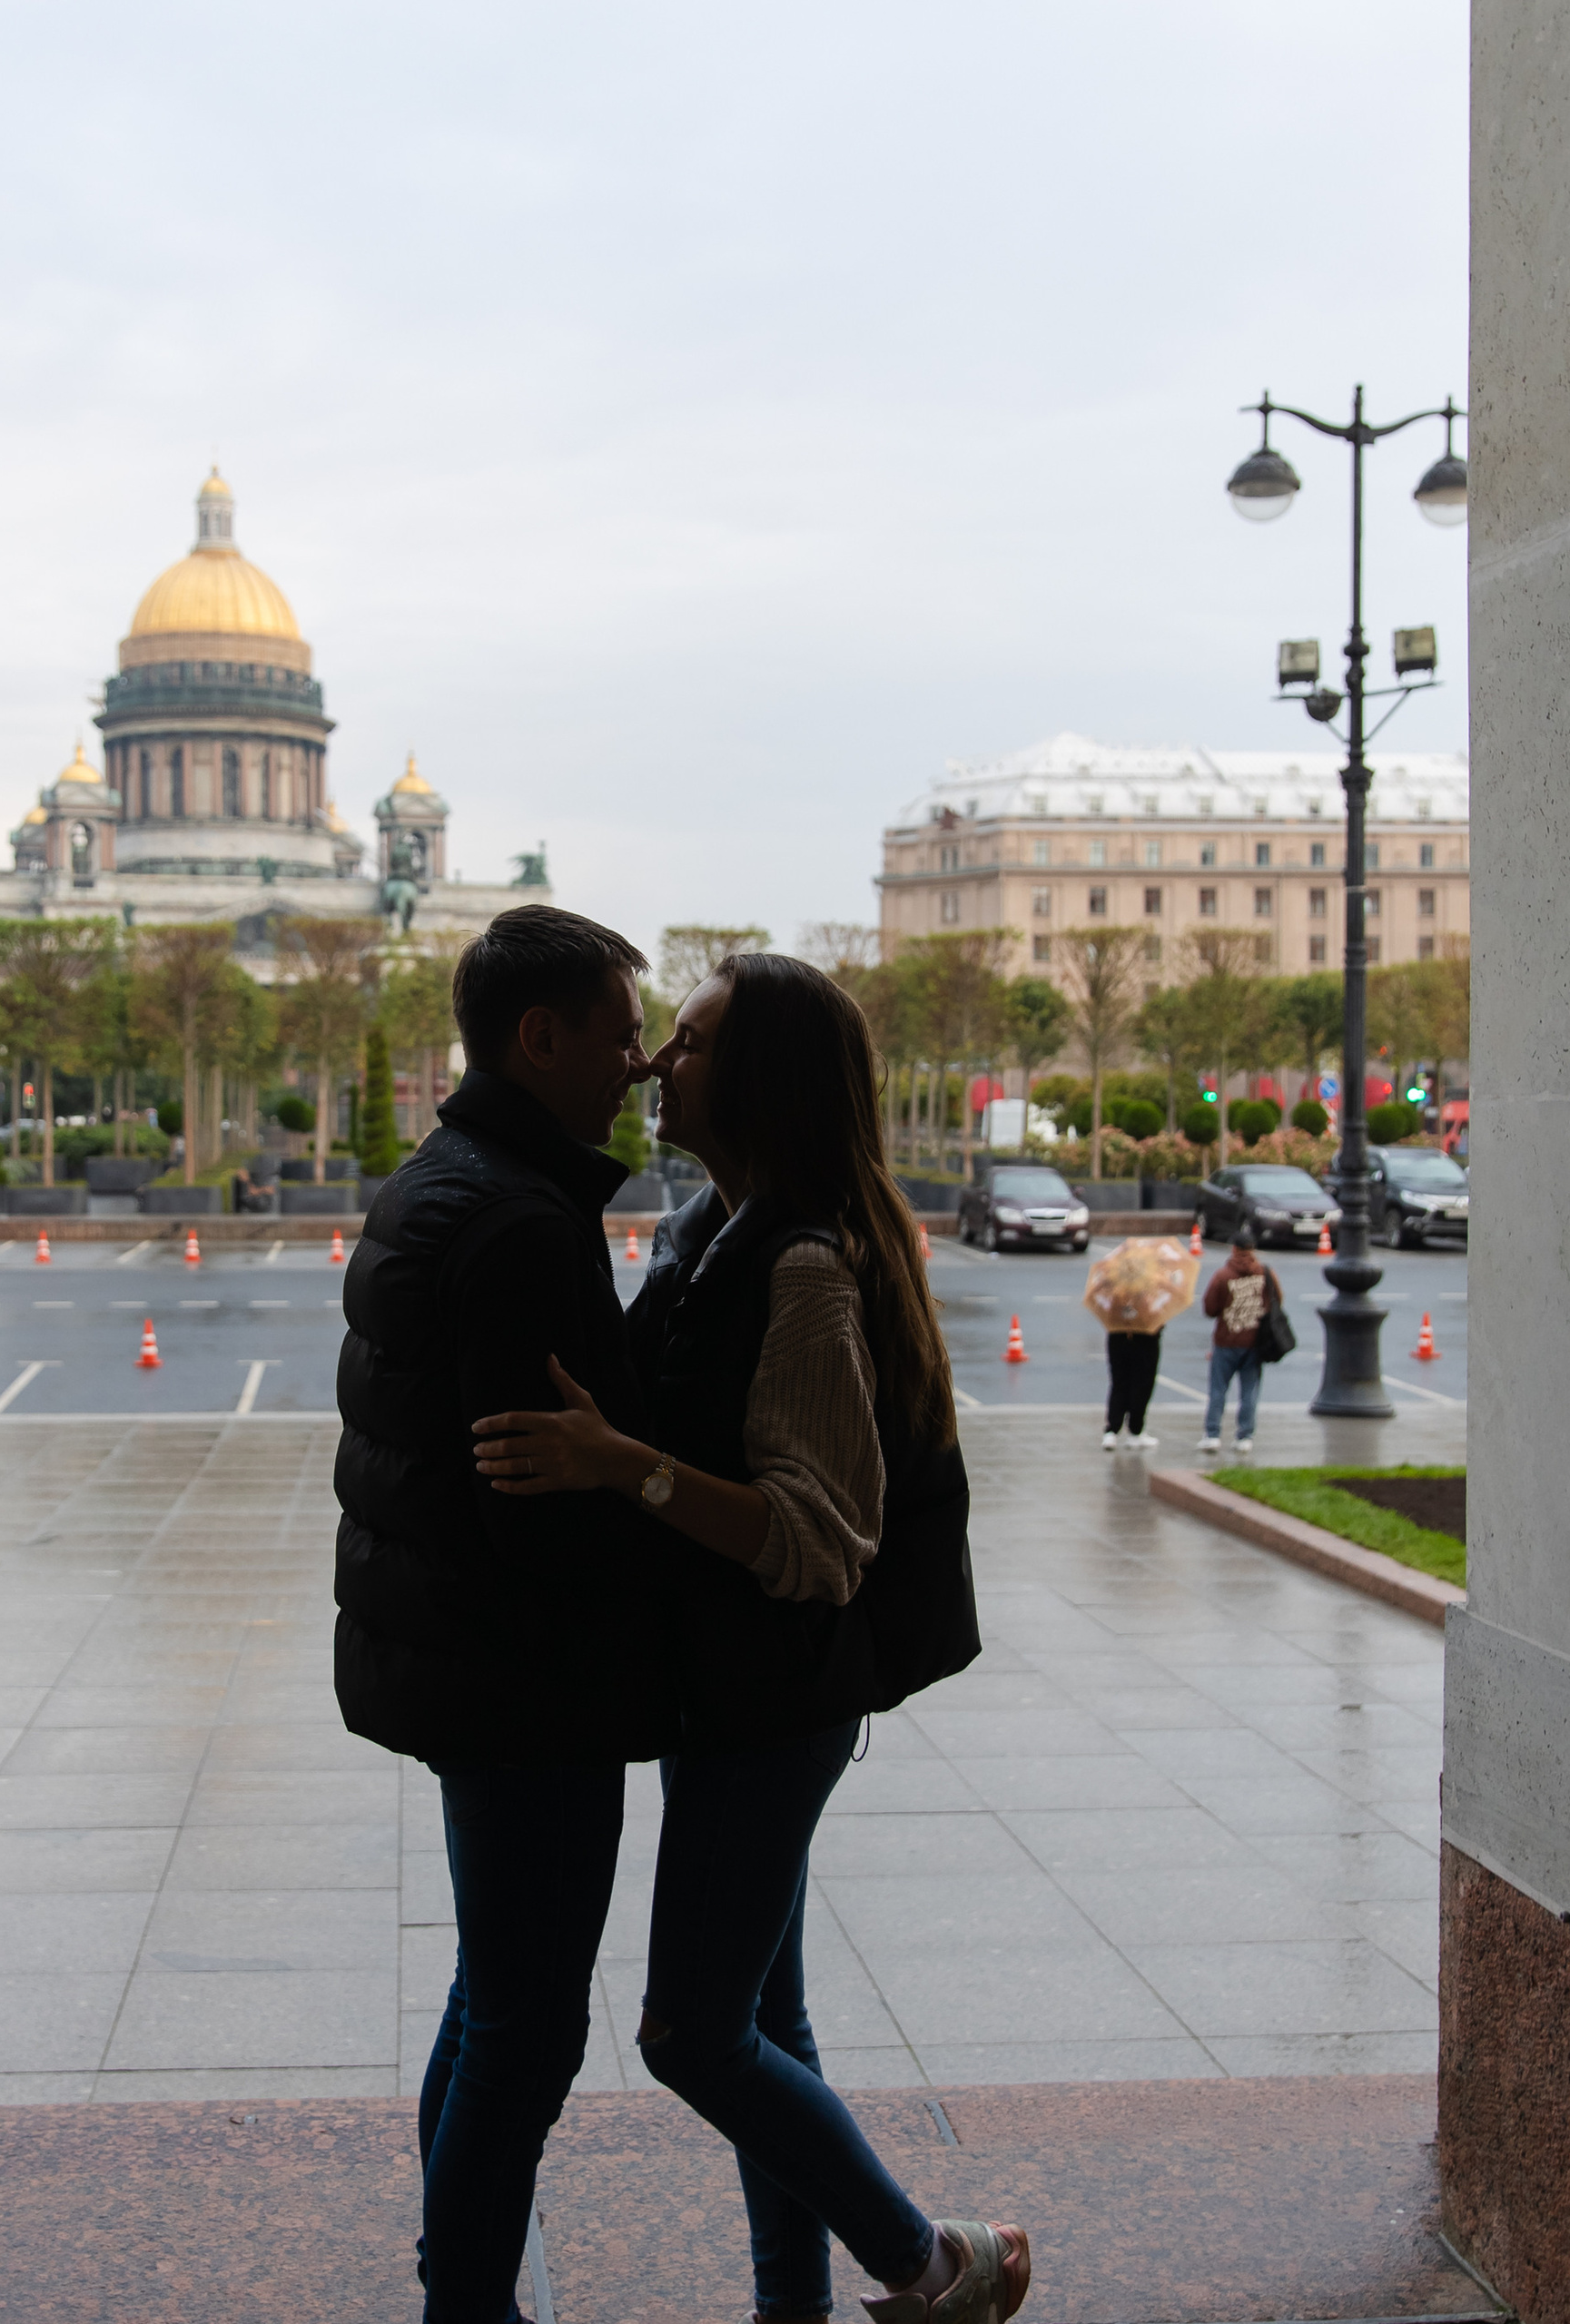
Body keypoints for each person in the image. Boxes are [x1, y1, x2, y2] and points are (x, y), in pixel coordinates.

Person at [473, 953, 1031, 2324]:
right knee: (765, 2029)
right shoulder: (711, 1228)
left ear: (766, 1084)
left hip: (774, 1708)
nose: (659, 1064)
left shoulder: (801, 1269)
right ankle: (795, 2304)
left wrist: (627, 1469)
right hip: (728, 1697)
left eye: (696, 1044)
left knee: (691, 2035)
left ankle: (926, 2263)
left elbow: (820, 1539)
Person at [331, 905, 676, 2324]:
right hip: (523, 1687)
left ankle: (456, 2282)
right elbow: (539, 1501)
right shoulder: (520, 1221)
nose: (637, 1065)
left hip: (459, 1669)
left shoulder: (451, 1175)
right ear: (540, 1038)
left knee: (492, 2003)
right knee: (529, 2032)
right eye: (615, 1033)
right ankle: (465, 2304)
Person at [1200, 1223, 1281, 1454]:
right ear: (1253, 1249)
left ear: (1234, 1249)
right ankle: (1245, 1436)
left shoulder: (1223, 1276)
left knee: (1218, 1390)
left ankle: (1213, 1435)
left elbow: (1209, 1308)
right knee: (1249, 1392)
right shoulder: (1265, 1273)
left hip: (1226, 1342)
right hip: (1255, 1343)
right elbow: (1277, 1301)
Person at [1102, 1324, 1162, 1450]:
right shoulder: (1149, 1302)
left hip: (1118, 1333)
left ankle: (1112, 1431)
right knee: (1142, 1385)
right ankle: (1135, 1430)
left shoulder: (1116, 1303)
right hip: (1146, 1335)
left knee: (1119, 1383)